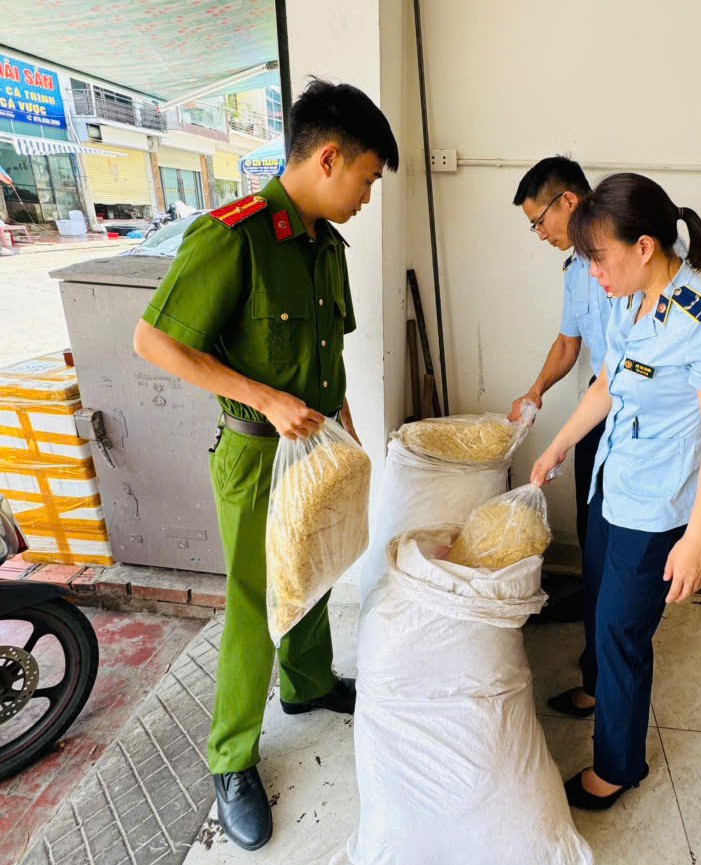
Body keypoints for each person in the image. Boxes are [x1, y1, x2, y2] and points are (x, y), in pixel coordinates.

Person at [132, 79, 398, 850]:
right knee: (255, 604)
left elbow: (328, 356)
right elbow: (154, 341)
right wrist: (263, 397)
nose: (367, 198)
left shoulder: (327, 246)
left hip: (317, 445)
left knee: (314, 566)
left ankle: (308, 683)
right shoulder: (234, 236)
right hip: (255, 453)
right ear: (328, 157)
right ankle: (231, 758)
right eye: (366, 179)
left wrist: (346, 432)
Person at [531, 173, 701, 811]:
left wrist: (697, 540)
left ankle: (618, 766)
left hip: (655, 510)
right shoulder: (631, 301)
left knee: (621, 633)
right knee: (600, 606)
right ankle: (596, 690)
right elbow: (606, 383)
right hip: (614, 484)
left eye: (599, 258)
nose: (593, 272)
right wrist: (558, 444)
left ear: (645, 246)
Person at [509, 156, 610, 556]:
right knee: (589, 503)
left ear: (568, 201)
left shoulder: (626, 255)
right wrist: (535, 392)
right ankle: (593, 589)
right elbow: (568, 342)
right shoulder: (576, 271)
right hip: (600, 395)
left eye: (539, 222)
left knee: (623, 515)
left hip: (642, 398)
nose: (539, 235)